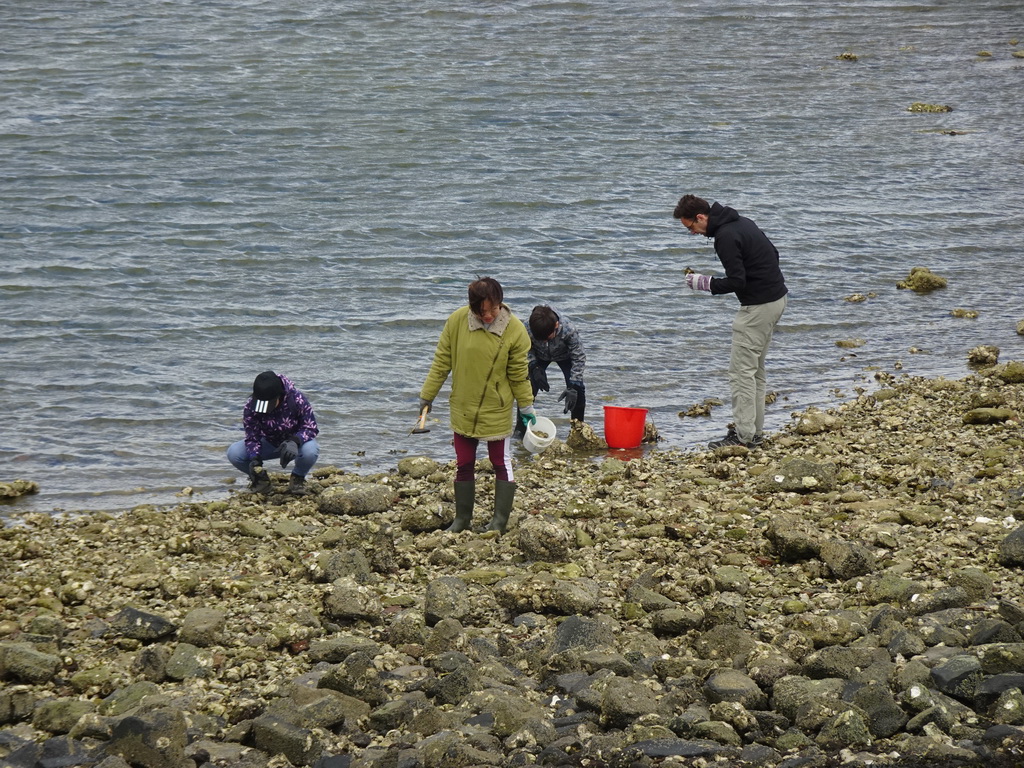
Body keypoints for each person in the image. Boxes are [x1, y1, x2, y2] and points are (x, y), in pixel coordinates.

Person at [418, 277, 535, 534]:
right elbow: (441, 362)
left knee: (500, 461)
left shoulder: (515, 330)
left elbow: (519, 375)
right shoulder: (457, 321)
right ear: (472, 308)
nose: (489, 316)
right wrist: (427, 396)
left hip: (497, 407)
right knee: (464, 462)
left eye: (493, 309)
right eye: (482, 312)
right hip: (463, 405)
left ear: (500, 303)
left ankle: (499, 522)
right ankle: (462, 520)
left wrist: (527, 408)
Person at [673, 194, 788, 449]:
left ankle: (743, 437)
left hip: (757, 308)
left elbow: (737, 281)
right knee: (755, 372)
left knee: (741, 375)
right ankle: (754, 433)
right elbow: (774, 254)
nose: (693, 233)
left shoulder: (724, 236)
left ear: (701, 217)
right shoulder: (742, 222)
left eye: (691, 227)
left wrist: (703, 283)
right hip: (777, 300)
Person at [227, 371, 320, 495]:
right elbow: (252, 436)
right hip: (269, 442)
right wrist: (255, 458)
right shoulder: (251, 406)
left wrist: (295, 441)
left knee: (311, 451)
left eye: (268, 404)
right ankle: (262, 482)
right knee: (234, 453)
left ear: (279, 396)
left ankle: (297, 479)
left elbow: (310, 427)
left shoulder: (296, 399)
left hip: (296, 443)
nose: (265, 409)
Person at [514, 305, 587, 436]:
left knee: (578, 391)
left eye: (547, 338)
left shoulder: (569, 330)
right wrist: (534, 366)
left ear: (556, 325)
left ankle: (578, 430)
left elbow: (579, 356)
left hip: (565, 356)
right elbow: (524, 348)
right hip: (538, 355)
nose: (543, 341)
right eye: (539, 339)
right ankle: (521, 429)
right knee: (527, 388)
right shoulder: (526, 328)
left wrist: (574, 384)